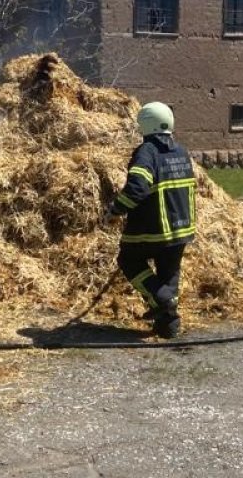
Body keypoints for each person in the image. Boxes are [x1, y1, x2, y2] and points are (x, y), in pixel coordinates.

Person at [104, 102, 197, 338]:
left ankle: (161, 300)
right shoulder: (181, 151)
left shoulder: (147, 152)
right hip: (182, 229)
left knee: (129, 260)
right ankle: (168, 326)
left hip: (153, 229)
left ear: (145, 124)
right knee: (169, 274)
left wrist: (115, 209)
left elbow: (137, 188)